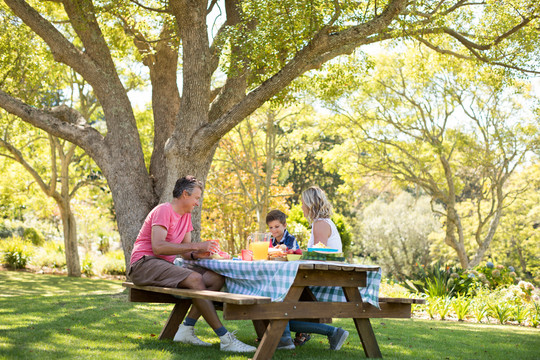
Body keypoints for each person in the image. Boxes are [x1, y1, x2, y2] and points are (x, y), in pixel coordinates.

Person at [128, 176, 256, 353]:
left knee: (215, 278)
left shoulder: (185, 217)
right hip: (144, 265)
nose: (197, 203)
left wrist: (199, 254)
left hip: (164, 265)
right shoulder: (163, 210)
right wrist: (197, 245)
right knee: (195, 279)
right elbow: (158, 247)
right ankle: (225, 338)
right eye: (196, 198)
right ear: (185, 194)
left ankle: (186, 329)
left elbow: (185, 252)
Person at [266, 195, 349, 351]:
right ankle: (286, 338)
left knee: (275, 308)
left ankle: (285, 339)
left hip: (322, 280)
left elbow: (319, 255)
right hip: (319, 277)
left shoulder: (320, 224)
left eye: (303, 203)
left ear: (310, 205)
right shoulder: (320, 223)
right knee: (276, 308)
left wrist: (296, 252)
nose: (302, 206)